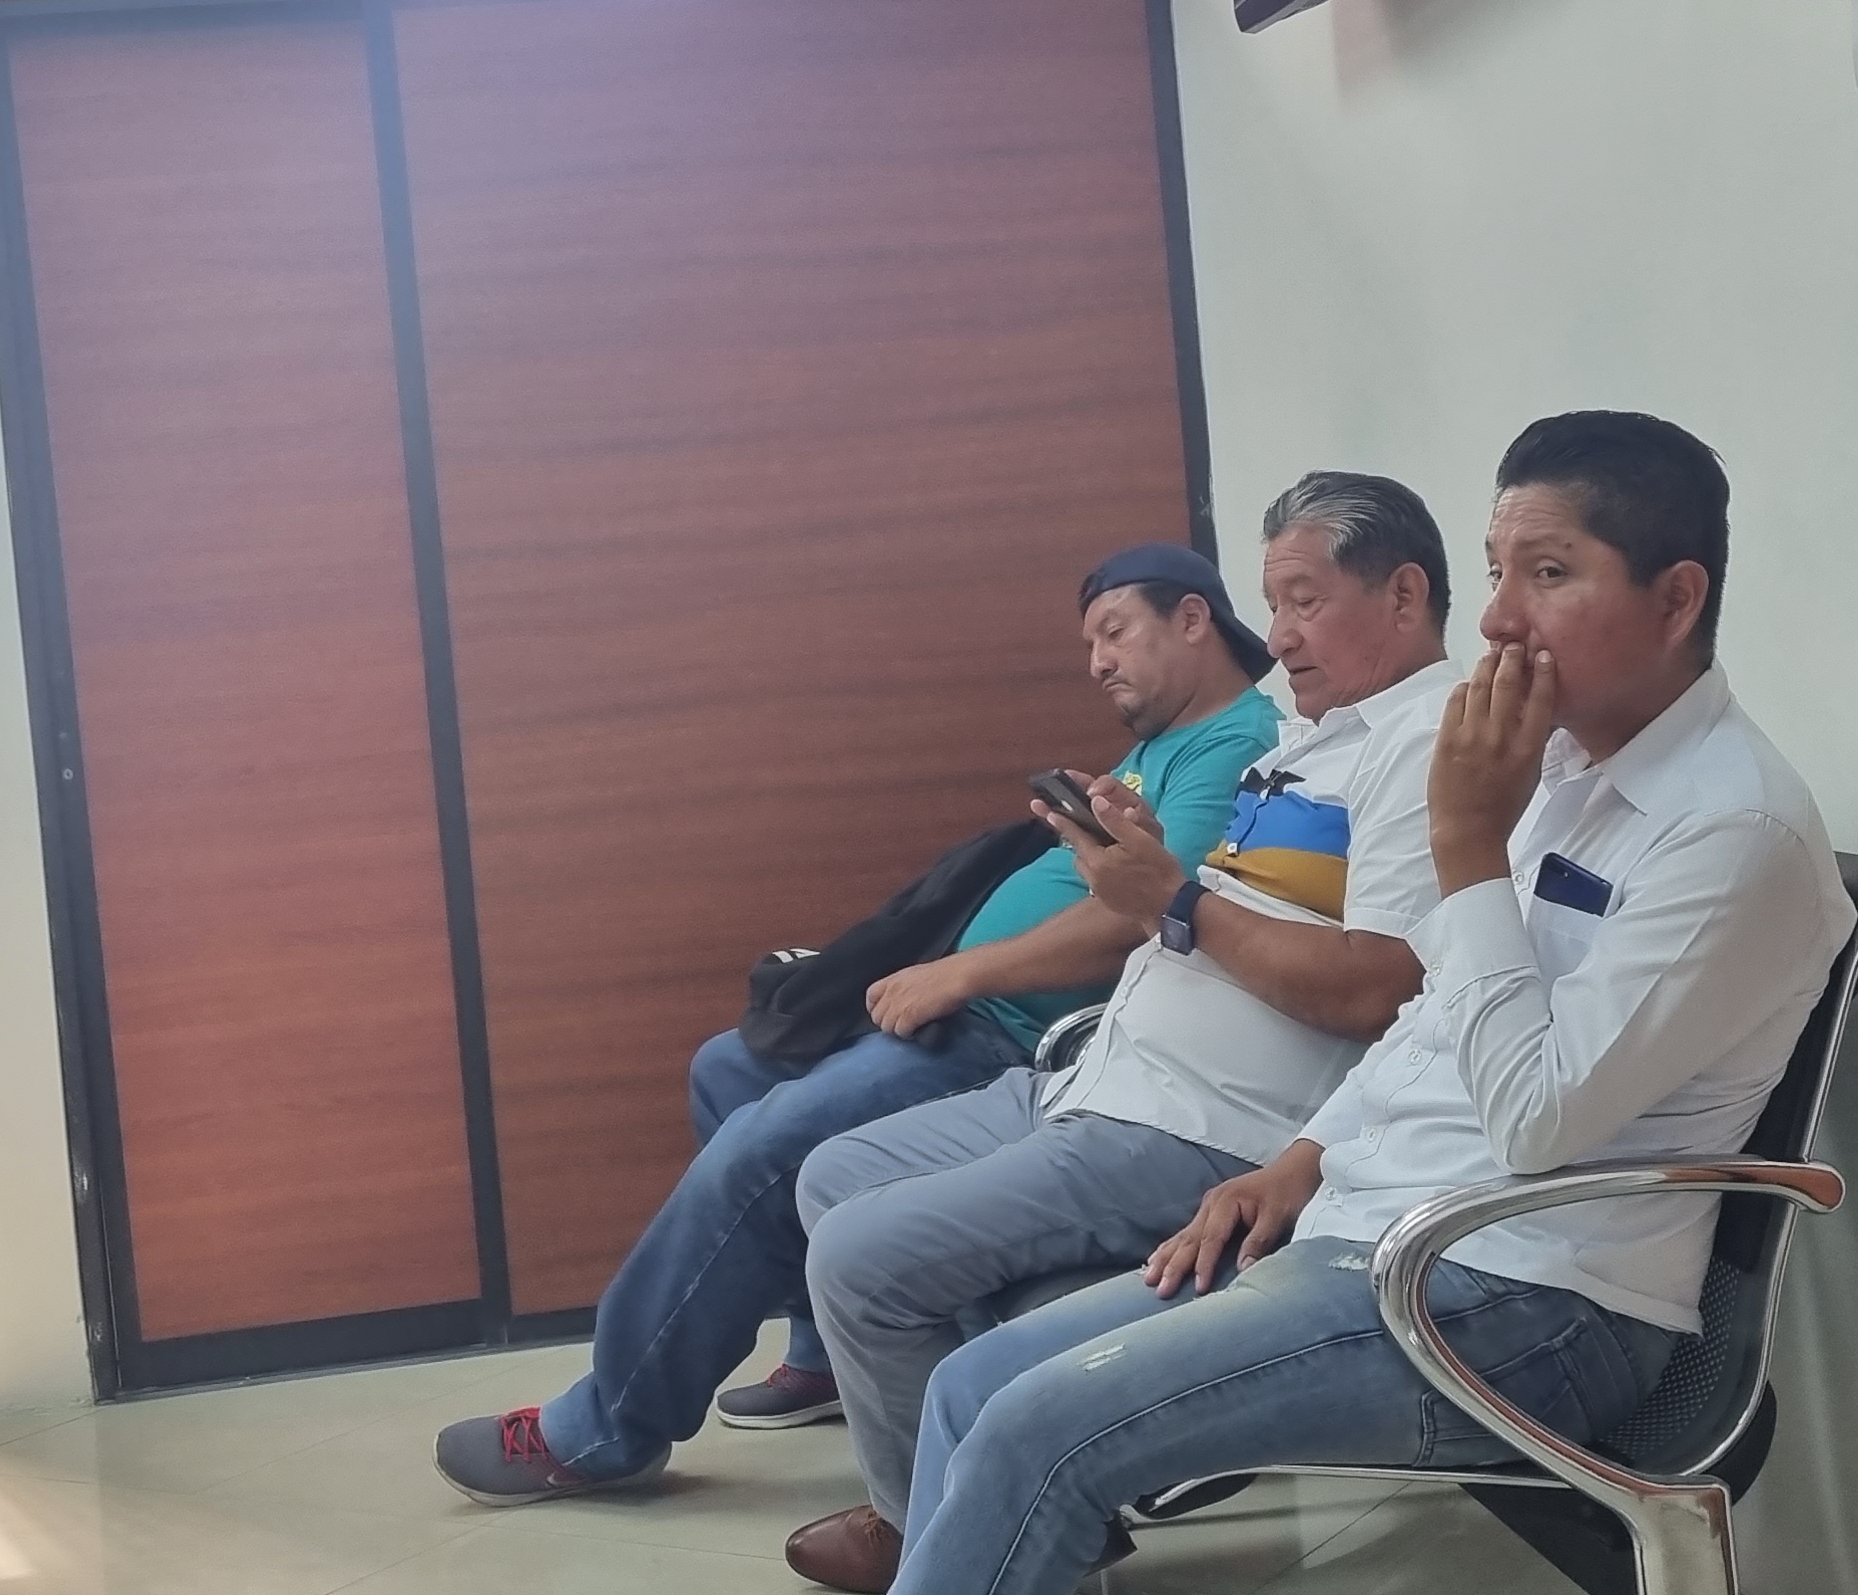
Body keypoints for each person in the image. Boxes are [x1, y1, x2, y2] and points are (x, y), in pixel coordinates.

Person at [883, 413, 1858, 1595]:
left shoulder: (1733, 830)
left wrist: (1468, 849)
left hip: (1527, 1296)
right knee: (973, 1385)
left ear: (1677, 598)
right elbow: (1439, 1014)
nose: (1498, 619)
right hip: (1375, 1228)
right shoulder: (1559, 771)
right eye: (1498, 573)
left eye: (1550, 574)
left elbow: (1538, 1123)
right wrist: (1302, 1156)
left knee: (1040, 1430)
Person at [431, 544, 1285, 1505]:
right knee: (730, 1068)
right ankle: (824, 1357)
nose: (1097, 662)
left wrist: (960, 973)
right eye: (1090, 643)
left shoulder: (1235, 744)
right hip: (971, 1012)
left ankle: (603, 1428)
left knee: (764, 1147)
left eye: (1114, 633)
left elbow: (1148, 912)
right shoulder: (1161, 748)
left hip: (1014, 1038)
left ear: (1192, 618)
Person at [775, 473, 1466, 1590]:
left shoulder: (1429, 743)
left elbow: (1376, 990)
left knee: (862, 1258)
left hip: (1206, 1124)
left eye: (1304, 601)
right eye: (1273, 604)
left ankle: (939, 1529)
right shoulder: (1313, 738)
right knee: (835, 1175)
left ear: (1404, 594)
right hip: (1104, 1076)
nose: (1278, 636)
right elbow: (1233, 916)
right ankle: (998, 1507)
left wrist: (1172, 899)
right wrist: (1146, 867)